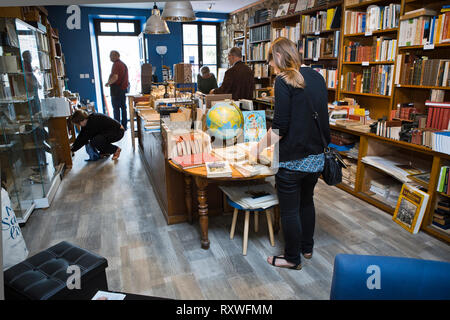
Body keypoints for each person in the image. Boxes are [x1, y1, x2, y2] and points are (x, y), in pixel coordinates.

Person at [251, 37, 330, 270]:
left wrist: (257, 148)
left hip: (292, 160)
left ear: (277, 56)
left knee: (289, 210)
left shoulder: (283, 80)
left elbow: (280, 128)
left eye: (270, 61)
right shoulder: (317, 76)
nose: (270, 67)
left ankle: (291, 258)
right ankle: (307, 248)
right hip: (316, 158)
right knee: (307, 202)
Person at [105, 50, 129, 130]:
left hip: (117, 90)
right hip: (123, 89)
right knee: (123, 108)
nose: (110, 58)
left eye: (111, 56)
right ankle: (124, 125)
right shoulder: (123, 64)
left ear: (116, 56)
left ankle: (117, 126)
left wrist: (108, 83)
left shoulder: (116, 65)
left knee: (116, 109)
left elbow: (115, 77)